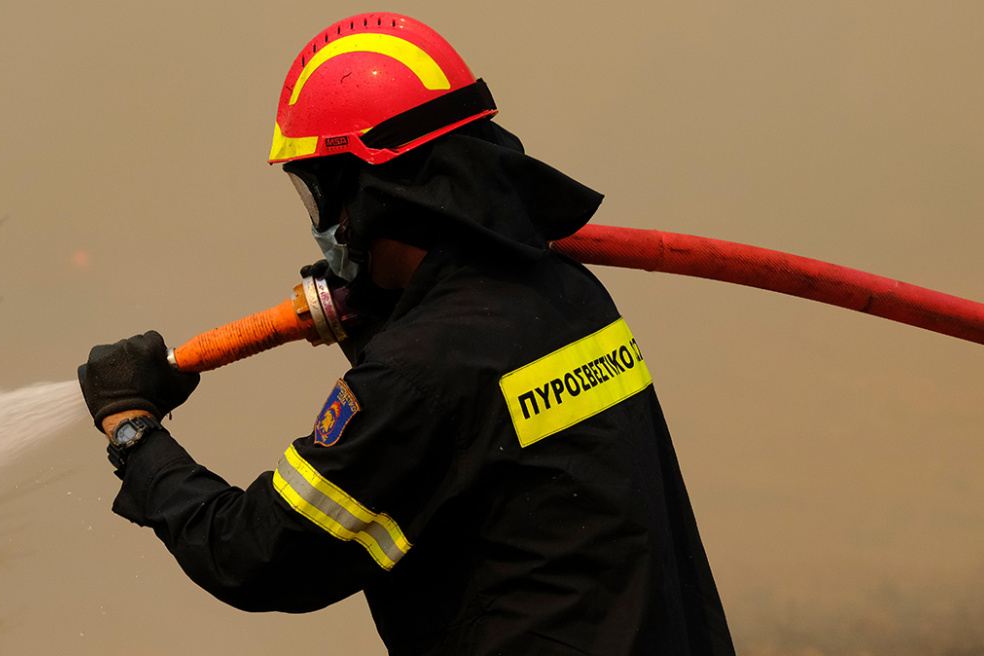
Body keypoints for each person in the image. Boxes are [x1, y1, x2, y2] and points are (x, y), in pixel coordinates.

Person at [78, 12, 734, 655]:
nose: (324, 220)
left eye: (322, 191)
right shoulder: (568, 293)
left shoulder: (418, 374)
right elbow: (472, 434)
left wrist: (135, 433)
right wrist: (383, 313)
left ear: (371, 194)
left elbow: (258, 553)